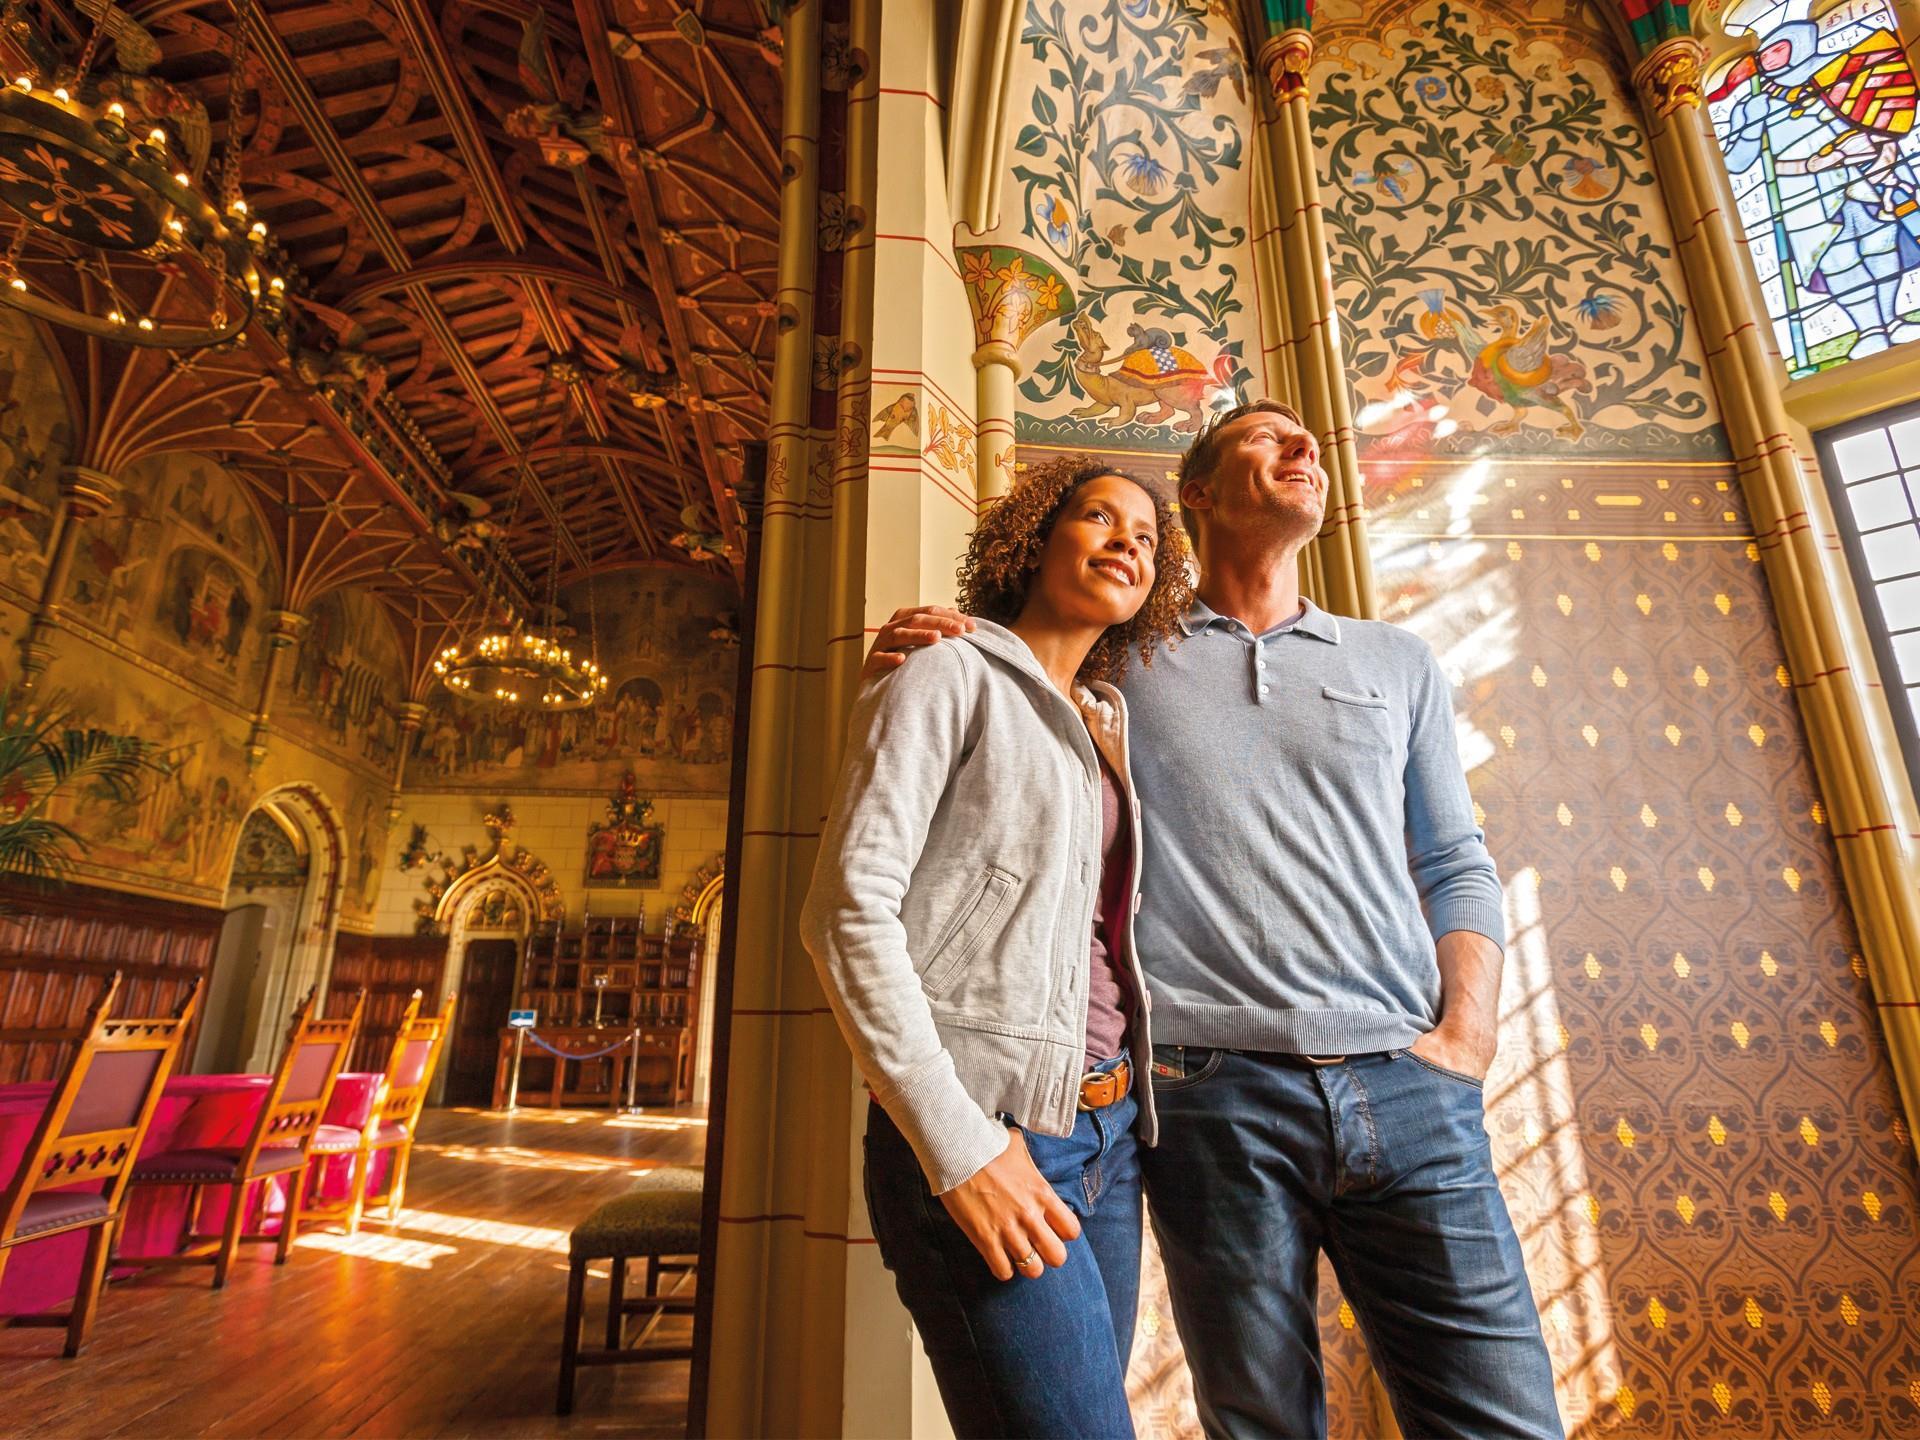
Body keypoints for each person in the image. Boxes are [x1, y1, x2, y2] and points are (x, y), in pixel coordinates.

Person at [867, 400, 1563, 1440]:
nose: (1305, 448)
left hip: (1411, 1095)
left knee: (1504, 1420)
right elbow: (1004, 691)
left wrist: (1465, 1038)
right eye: (1266, 438)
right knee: (1260, 1423)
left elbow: (1455, 859)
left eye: (1309, 439)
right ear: (1196, 491)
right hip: (1207, 1103)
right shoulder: (1118, 657)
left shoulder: (1396, 661)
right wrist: (933, 644)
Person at [802, 457, 1193, 1439]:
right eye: (1099, 517)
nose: (1126, 543)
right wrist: (960, 1144)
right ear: (1033, 539)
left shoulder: (1104, 722)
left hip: (1107, 1134)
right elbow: (845, 912)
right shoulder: (945, 669)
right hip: (993, 1131)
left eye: (1146, 538)